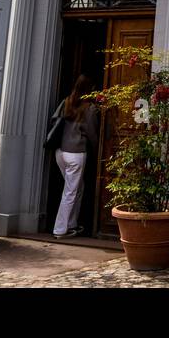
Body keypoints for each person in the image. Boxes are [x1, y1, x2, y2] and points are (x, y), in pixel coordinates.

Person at [52, 75, 99, 239]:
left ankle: (71, 224)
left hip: (60, 152)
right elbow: (92, 133)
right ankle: (59, 229)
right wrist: (97, 149)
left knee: (77, 188)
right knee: (70, 192)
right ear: (89, 89)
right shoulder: (90, 108)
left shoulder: (66, 102)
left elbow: (54, 120)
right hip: (76, 153)